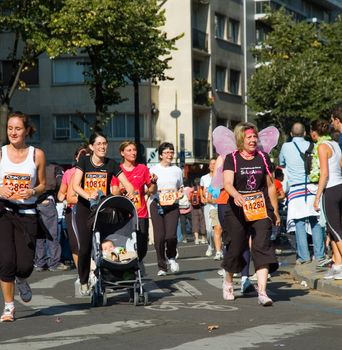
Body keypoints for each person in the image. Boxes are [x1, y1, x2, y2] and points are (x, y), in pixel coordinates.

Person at [222, 122, 280, 306]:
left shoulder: (263, 157)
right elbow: (228, 183)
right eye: (249, 137)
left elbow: (270, 186)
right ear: (241, 139)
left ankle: (262, 292)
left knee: (262, 245)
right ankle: (229, 280)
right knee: (237, 246)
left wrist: (275, 210)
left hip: (260, 208)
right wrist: (237, 195)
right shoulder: (232, 158)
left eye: (255, 136)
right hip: (237, 208)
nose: (254, 140)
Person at [72, 131, 134, 295]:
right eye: (98, 144)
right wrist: (87, 195)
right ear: (91, 147)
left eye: (104, 143)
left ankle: (109, 275)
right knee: (84, 247)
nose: (102, 147)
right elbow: (75, 185)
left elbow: (127, 184)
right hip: (85, 209)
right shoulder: (84, 161)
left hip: (103, 208)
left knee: (108, 243)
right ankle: (84, 280)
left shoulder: (111, 164)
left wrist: (129, 193)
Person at [0, 111, 46, 322]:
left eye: (17, 128)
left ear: (27, 130)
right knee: (6, 261)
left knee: (25, 266)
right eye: (10, 128)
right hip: (4, 212)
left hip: (27, 213)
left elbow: (43, 184)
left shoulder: (37, 154)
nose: (13, 132)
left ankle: (22, 279)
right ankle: (9, 307)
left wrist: (32, 191)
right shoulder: (0, 154)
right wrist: (1, 190)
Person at [279, 122, 325, 265]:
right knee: (315, 221)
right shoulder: (312, 145)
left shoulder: (286, 147)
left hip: (296, 190)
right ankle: (319, 255)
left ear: (291, 134)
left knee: (299, 223)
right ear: (305, 133)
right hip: (313, 188)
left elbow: (282, 162)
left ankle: (304, 256)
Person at [110, 141, 157, 274]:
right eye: (129, 150)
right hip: (124, 214)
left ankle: (139, 260)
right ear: (122, 153)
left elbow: (152, 190)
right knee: (124, 243)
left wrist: (153, 182)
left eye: (134, 150)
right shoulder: (117, 170)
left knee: (142, 244)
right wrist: (122, 189)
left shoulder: (142, 168)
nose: (133, 153)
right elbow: (114, 192)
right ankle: (128, 268)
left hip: (141, 213)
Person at [311, 120, 342, 280]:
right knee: (333, 230)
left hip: (330, 189)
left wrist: (317, 196)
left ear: (314, 133)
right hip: (340, 186)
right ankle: (338, 265)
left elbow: (324, 174)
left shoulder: (322, 147)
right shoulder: (335, 144)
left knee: (335, 229)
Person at [149, 142, 183, 276]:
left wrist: (180, 193)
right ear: (161, 155)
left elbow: (180, 186)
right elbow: (149, 189)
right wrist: (154, 189)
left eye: (171, 152)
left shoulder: (177, 170)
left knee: (171, 235)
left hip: (173, 204)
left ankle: (172, 257)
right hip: (157, 203)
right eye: (166, 152)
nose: (169, 155)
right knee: (159, 237)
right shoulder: (153, 169)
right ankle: (162, 266)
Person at [57, 146, 88, 271]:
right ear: (76, 157)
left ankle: (90, 270)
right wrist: (66, 196)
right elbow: (60, 194)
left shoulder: (92, 172)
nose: (83, 158)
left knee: (87, 242)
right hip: (71, 211)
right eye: (81, 156)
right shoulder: (70, 173)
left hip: (87, 209)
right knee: (75, 244)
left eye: (86, 156)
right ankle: (81, 272)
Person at [200, 158, 222, 258]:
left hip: (219, 204)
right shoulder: (204, 178)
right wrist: (202, 197)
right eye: (211, 164)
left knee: (218, 229)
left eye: (215, 164)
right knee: (209, 229)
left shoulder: (222, 177)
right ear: (209, 166)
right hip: (208, 204)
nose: (213, 165)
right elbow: (201, 189)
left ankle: (219, 248)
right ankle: (210, 246)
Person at [190, 178, 206, 245]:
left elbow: (189, 198)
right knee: (202, 222)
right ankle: (203, 238)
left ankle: (196, 239)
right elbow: (204, 196)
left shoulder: (192, 189)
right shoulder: (201, 189)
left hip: (194, 208)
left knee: (195, 223)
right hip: (201, 207)